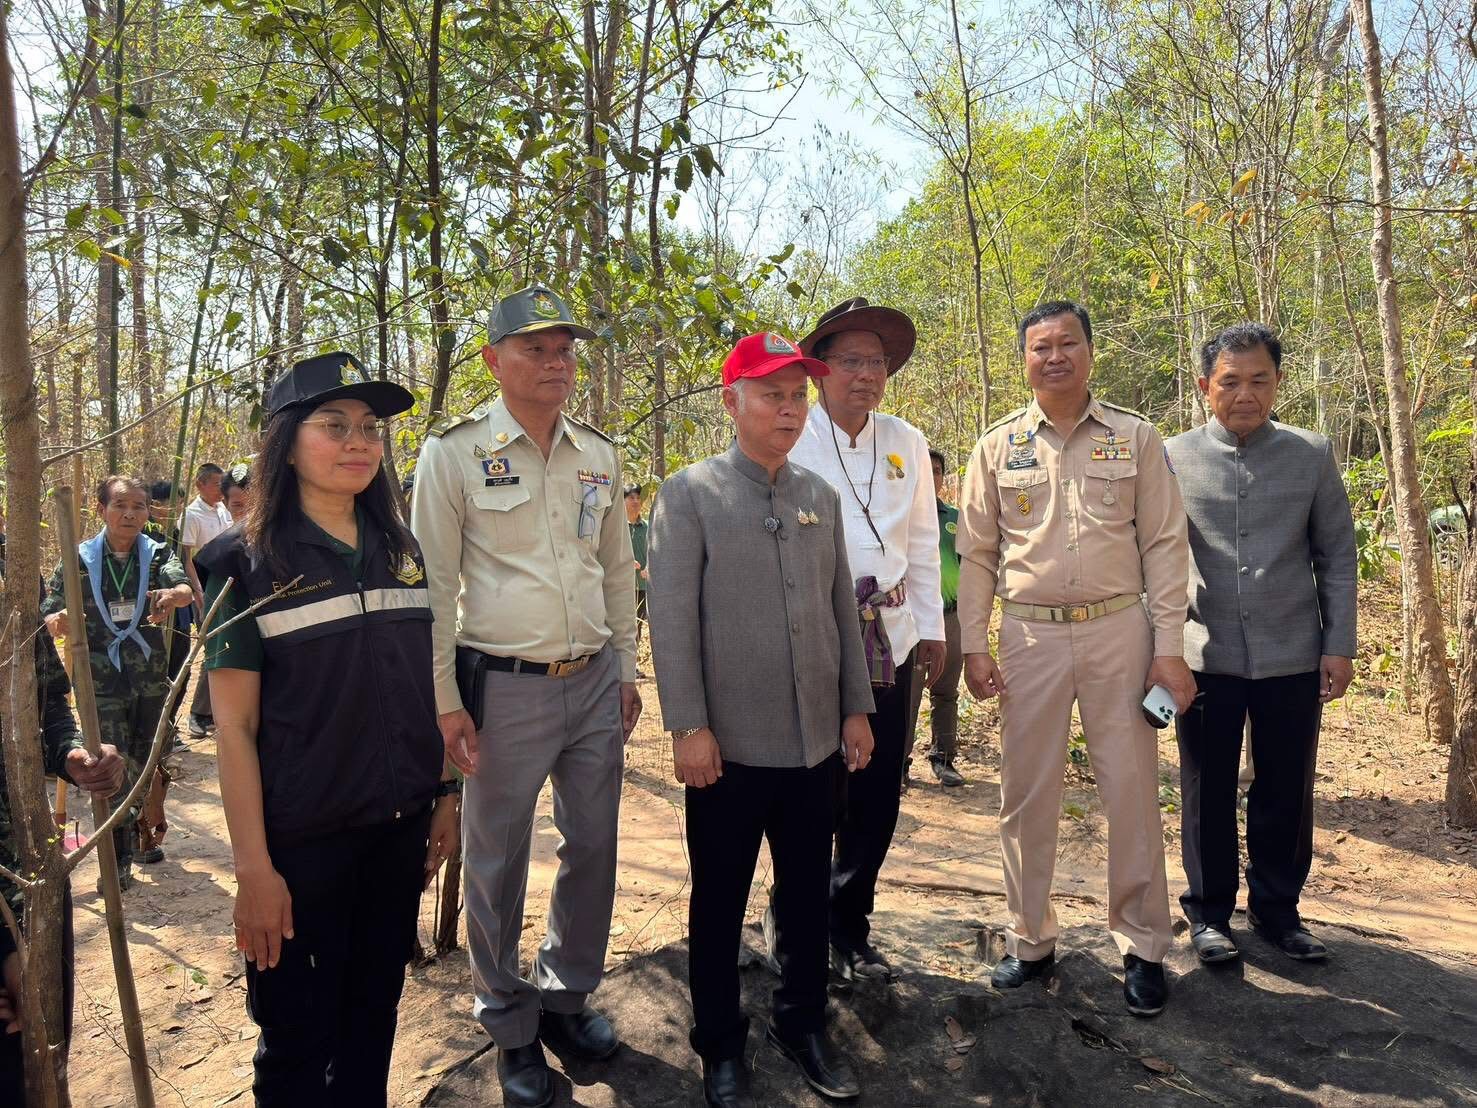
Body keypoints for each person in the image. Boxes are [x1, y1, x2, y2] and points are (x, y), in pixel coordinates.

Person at [197, 351, 458, 1106]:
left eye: (370, 428)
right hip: (301, 846)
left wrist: (445, 790)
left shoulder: (402, 550)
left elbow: (420, 684)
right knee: (297, 1039)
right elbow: (235, 728)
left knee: (373, 1017)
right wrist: (254, 870)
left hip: (396, 831)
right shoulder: (241, 565)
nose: (358, 442)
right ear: (285, 443)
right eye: (333, 425)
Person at [411, 285, 640, 1108]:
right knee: (497, 858)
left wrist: (627, 668)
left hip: (593, 680)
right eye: (535, 349)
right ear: (492, 360)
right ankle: (508, 1021)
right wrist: (445, 700)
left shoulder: (597, 453)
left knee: (594, 845)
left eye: (564, 349)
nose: (555, 363)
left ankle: (565, 996)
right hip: (503, 688)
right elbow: (434, 588)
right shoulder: (454, 453)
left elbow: (615, 567)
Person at [648, 333, 876, 1108]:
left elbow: (841, 609)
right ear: (732, 400)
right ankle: (718, 1043)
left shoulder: (818, 495)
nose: (789, 409)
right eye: (772, 394)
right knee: (718, 899)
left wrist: (855, 707)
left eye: (796, 395)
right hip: (729, 746)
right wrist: (688, 726)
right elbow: (671, 620)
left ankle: (800, 1023)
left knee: (806, 895)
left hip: (813, 742)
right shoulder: (690, 494)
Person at [956, 300, 1194, 1017]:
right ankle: (1029, 938)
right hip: (1028, 635)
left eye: (1067, 343)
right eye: (1040, 347)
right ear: (1024, 360)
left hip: (1118, 629)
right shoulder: (996, 446)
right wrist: (973, 642)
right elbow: (977, 553)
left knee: (1131, 789)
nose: (1054, 356)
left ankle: (1143, 945)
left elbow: (1164, 544)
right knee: (1026, 792)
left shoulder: (1134, 436)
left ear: (1090, 352)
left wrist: (1169, 650)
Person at [1166, 322, 1356, 965]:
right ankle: (1209, 914)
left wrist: (1339, 643)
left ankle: (1278, 911)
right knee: (1206, 788)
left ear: (1277, 383)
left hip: (1292, 652)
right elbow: (1151, 560)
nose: (1244, 394)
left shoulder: (1311, 454)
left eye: (1259, 380)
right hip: (1203, 654)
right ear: (1205, 386)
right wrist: (1159, 650)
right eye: (1230, 381)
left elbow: (1336, 555)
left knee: (1285, 786)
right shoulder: (1171, 457)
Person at [786, 298, 944, 984]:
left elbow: (924, 541)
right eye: (849, 360)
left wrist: (932, 628)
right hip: (814, 637)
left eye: (876, 361)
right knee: (811, 787)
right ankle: (794, 920)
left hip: (892, 638)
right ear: (820, 369)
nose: (865, 374)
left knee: (877, 791)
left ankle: (849, 924)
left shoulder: (907, 440)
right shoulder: (793, 435)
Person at [0, 572, 126, 1102]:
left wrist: (75, 756)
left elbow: (48, 706)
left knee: (40, 1074)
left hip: (30, 877)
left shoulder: (12, 586)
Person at [42, 476, 194, 888]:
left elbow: (180, 584)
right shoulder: (79, 559)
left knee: (145, 758)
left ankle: (138, 827)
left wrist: (176, 594)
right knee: (110, 762)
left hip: (149, 678)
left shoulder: (158, 552)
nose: (130, 514)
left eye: (139, 506)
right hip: (99, 683)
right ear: (101, 509)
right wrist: (55, 619)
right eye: (120, 505)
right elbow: (50, 606)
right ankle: (117, 856)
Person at [906, 449, 967, 788]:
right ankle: (899, 763)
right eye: (925, 470)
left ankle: (943, 759)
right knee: (908, 693)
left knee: (946, 690)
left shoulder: (955, 519)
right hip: (911, 621)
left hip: (951, 618)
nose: (932, 477)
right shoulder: (902, 513)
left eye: (937, 470)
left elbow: (970, 566)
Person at [180, 462, 232, 738]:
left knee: (229, 649)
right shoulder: (191, 515)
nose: (220, 489)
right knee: (212, 648)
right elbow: (186, 559)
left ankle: (216, 712)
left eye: (223, 483)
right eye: (215, 484)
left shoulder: (224, 509)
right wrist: (198, 593)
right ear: (200, 485)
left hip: (230, 585)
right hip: (206, 588)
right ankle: (198, 714)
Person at [624, 483, 649, 648]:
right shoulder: (618, 527)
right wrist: (626, 562)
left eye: (638, 498)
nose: (635, 501)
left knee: (638, 626)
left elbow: (655, 552)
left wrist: (649, 567)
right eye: (631, 497)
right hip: (623, 586)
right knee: (624, 627)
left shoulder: (647, 526)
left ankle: (634, 659)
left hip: (643, 586)